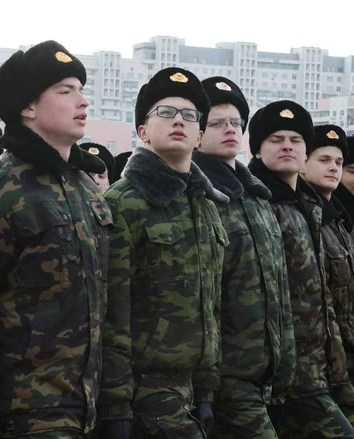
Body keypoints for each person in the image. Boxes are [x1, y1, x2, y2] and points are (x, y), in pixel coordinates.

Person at [0, 40, 111, 438]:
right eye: (66, 91)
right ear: (27, 107)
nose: (82, 101)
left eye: (81, 89)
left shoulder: (85, 189)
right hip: (22, 415)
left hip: (85, 409)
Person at [98, 68, 228, 439]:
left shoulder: (204, 204)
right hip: (144, 388)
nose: (179, 121)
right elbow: (112, 311)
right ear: (142, 132)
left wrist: (206, 389)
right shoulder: (122, 202)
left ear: (200, 135)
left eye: (190, 116)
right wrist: (115, 404)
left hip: (192, 387)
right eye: (166, 113)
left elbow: (209, 302)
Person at [193, 76, 295, 438]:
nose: (230, 130)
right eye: (217, 123)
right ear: (198, 131)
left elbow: (279, 290)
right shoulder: (197, 193)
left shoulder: (258, 197)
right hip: (226, 378)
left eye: (236, 123)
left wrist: (285, 368)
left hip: (268, 375)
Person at [248, 101, 354, 438]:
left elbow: (323, 300)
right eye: (276, 139)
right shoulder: (254, 202)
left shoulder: (311, 209)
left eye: (295, 140)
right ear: (258, 150)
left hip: (318, 372)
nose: (287, 146)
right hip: (277, 377)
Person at [301, 124, 354, 425]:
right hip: (322, 367)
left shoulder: (339, 222)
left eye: (337, 161)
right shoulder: (307, 219)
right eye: (324, 160)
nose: (333, 167)